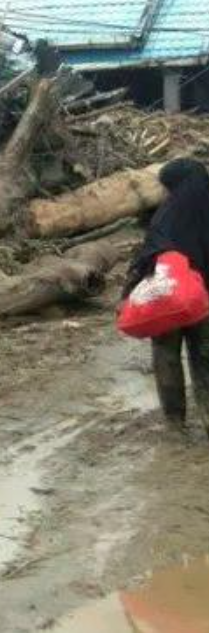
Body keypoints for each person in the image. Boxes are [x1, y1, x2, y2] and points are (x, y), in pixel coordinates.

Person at [124, 158, 209, 434]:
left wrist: (127, 295)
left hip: (167, 298)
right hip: (203, 301)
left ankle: (175, 424)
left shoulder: (164, 215)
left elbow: (146, 258)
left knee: (165, 356)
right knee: (205, 358)